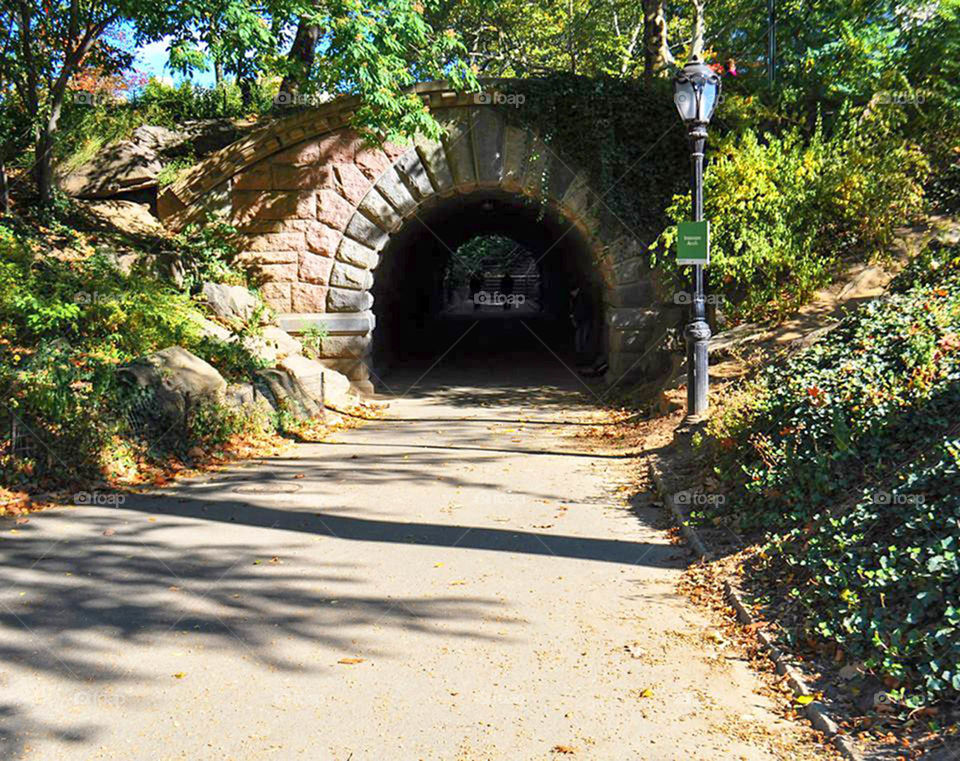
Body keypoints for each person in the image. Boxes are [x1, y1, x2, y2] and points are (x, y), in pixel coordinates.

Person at [570, 285, 593, 367]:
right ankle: (582, 357)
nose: (571, 294)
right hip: (583, 320)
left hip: (583, 321)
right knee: (581, 339)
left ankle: (582, 358)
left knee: (582, 339)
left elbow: (580, 311)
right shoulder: (580, 297)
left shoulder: (580, 298)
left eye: (572, 292)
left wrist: (575, 320)